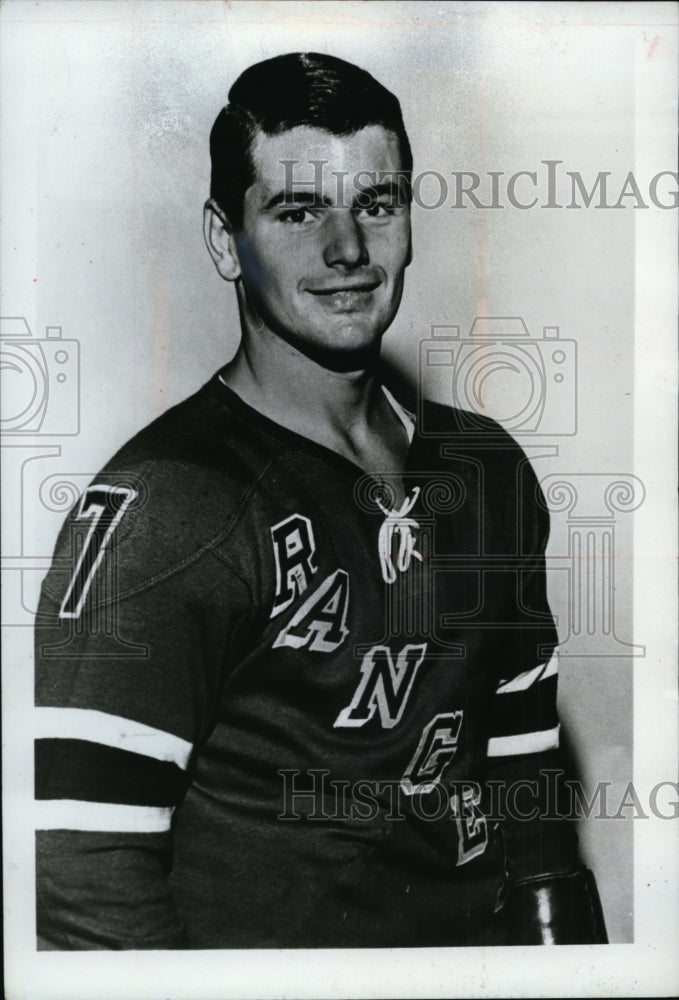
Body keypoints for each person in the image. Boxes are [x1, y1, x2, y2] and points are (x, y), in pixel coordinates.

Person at [34, 52, 607, 949]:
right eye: (297, 211)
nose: (346, 249)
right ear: (226, 238)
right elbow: (82, 879)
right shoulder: (168, 504)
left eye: (375, 204)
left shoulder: (484, 468)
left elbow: (524, 780)